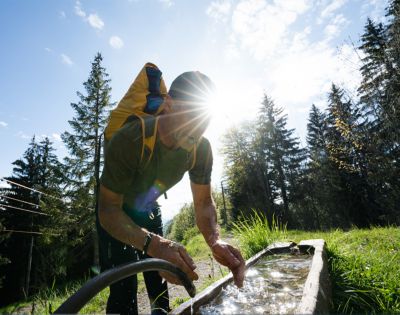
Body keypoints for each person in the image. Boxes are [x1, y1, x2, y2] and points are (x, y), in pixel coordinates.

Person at [98, 71, 245, 315]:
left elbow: (203, 203)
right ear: (168, 105)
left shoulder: (202, 149)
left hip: (147, 204)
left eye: (203, 119)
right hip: (115, 207)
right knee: (123, 285)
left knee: (160, 277)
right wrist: (153, 244)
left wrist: (213, 239)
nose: (196, 129)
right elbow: (107, 209)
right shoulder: (131, 138)